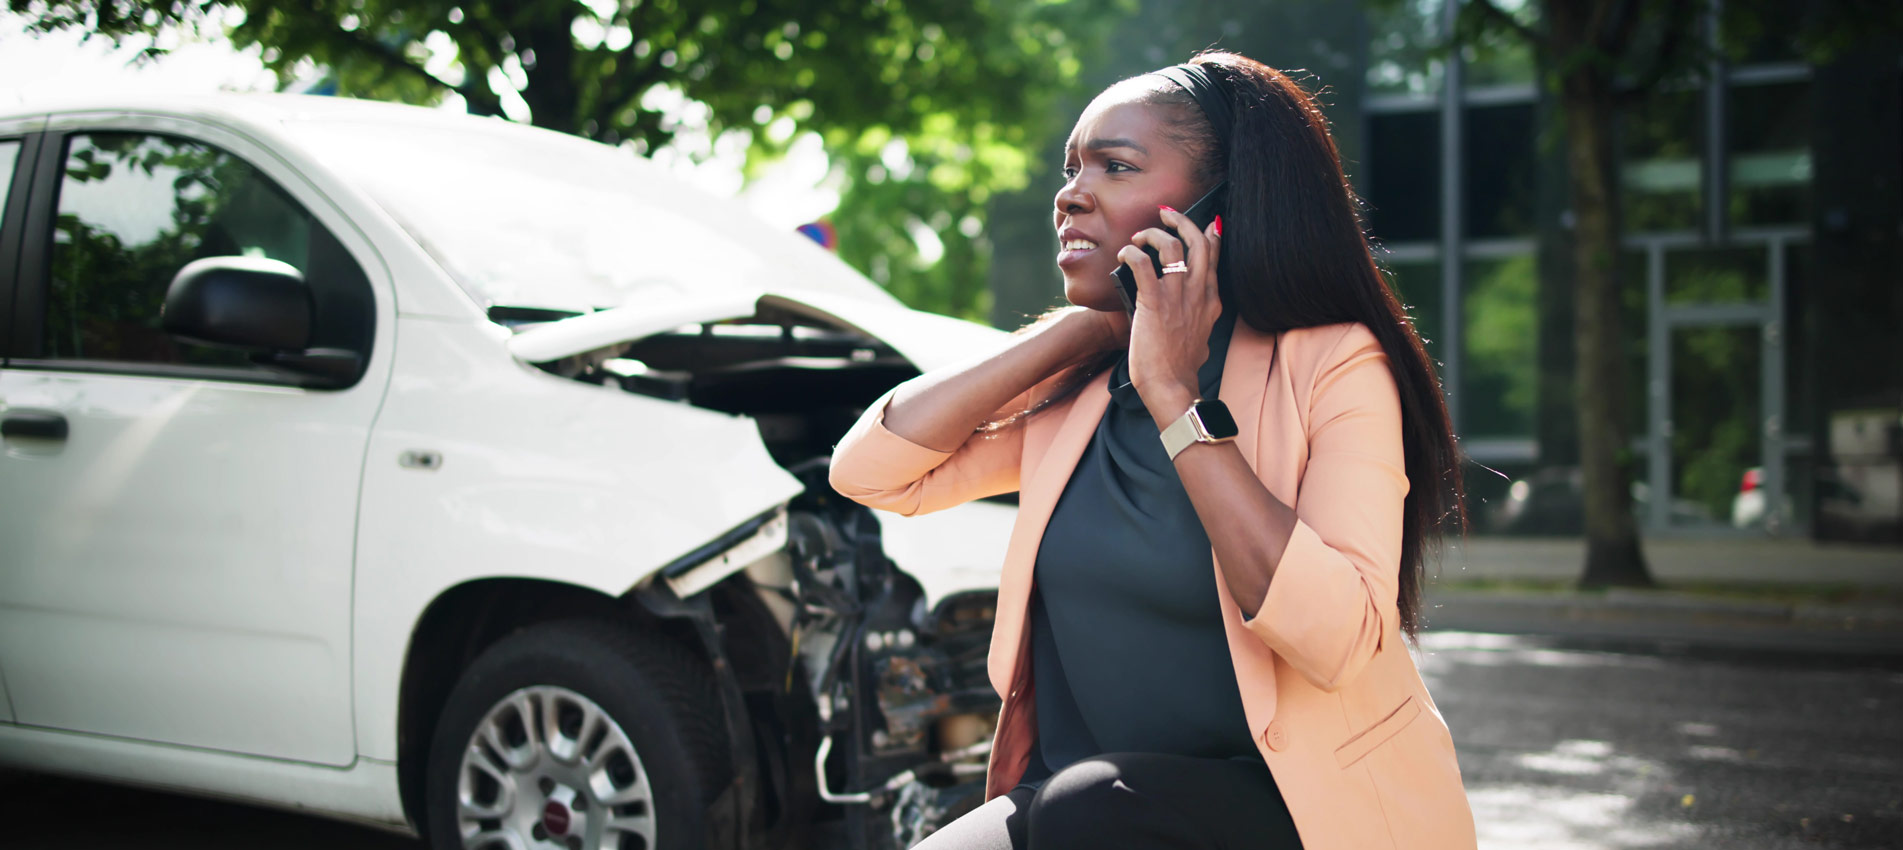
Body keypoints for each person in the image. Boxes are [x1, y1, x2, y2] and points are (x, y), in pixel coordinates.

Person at [829, 51, 1477, 850]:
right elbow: (867, 472)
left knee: (1092, 806)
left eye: (1115, 165)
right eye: (1069, 169)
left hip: (1297, 811)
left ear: (1218, 208)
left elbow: (1335, 638)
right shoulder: (1087, 386)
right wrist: (1084, 329)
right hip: (1084, 802)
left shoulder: (1333, 362)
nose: (1070, 194)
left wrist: (1175, 397)